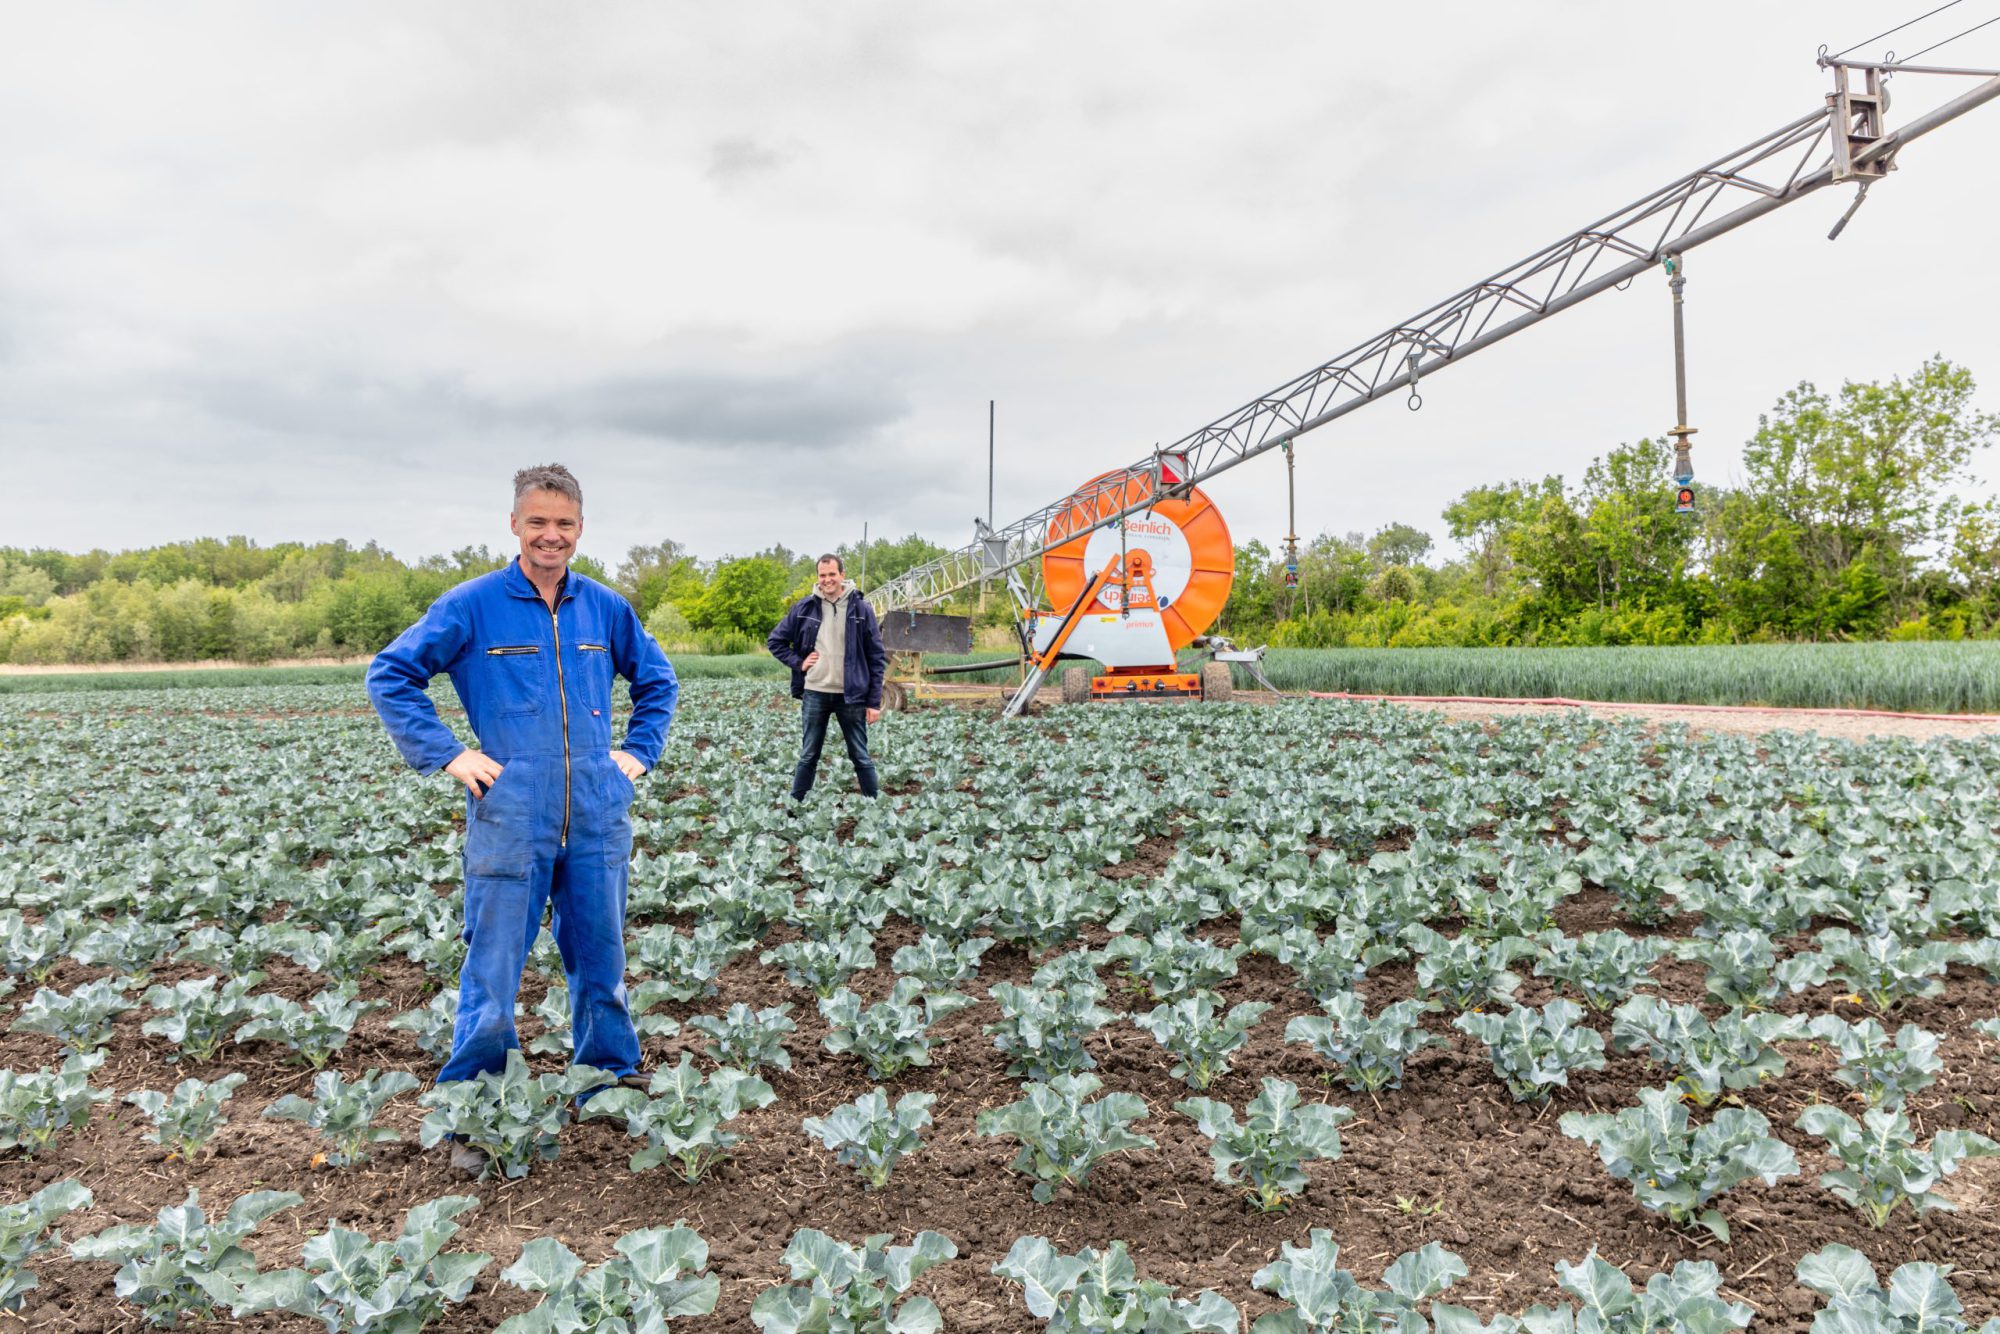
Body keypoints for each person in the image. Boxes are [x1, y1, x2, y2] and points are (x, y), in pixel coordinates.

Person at [365, 464, 678, 1172]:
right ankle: (473, 1106)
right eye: (537, 522)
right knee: (494, 963)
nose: (550, 535)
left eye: (564, 524)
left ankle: (606, 1078)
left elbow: (658, 679)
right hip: (509, 812)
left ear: (580, 529)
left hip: (595, 813)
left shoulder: (604, 607)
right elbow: (391, 674)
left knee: (601, 956)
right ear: (514, 525)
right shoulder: (474, 605)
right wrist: (448, 754)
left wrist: (637, 752)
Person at [766, 554, 887, 799]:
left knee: (860, 755)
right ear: (818, 577)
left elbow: (876, 656)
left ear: (842, 575)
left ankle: (874, 807)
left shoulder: (861, 609)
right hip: (815, 692)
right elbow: (775, 641)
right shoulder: (804, 607)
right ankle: (795, 809)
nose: (827, 580)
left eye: (832, 574)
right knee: (809, 754)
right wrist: (798, 663)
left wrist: (874, 702)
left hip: (850, 695)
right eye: (822, 575)